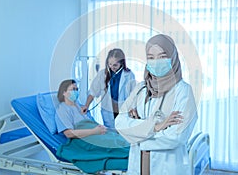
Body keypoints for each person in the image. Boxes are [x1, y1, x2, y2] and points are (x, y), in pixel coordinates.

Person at [115, 34, 198, 175]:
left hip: (167, 167)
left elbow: (176, 136)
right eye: (151, 58)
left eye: (162, 56)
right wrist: (156, 126)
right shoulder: (141, 88)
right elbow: (119, 123)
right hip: (138, 164)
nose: (156, 62)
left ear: (173, 58)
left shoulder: (183, 91)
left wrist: (136, 134)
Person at [55, 79, 130, 174]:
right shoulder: (62, 109)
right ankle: (133, 156)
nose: (76, 92)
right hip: (83, 139)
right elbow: (69, 133)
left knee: (117, 138)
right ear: (64, 93)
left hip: (95, 133)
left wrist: (99, 129)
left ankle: (136, 153)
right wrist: (94, 131)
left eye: (77, 89)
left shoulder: (79, 106)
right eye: (73, 89)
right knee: (110, 144)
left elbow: (88, 122)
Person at [82, 48, 136, 128]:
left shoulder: (129, 75)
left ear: (121, 63)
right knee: (111, 135)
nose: (111, 67)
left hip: (123, 111)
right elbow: (92, 92)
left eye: (115, 65)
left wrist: (133, 109)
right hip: (108, 112)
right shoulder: (102, 74)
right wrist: (86, 105)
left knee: (123, 135)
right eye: (110, 64)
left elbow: (133, 95)